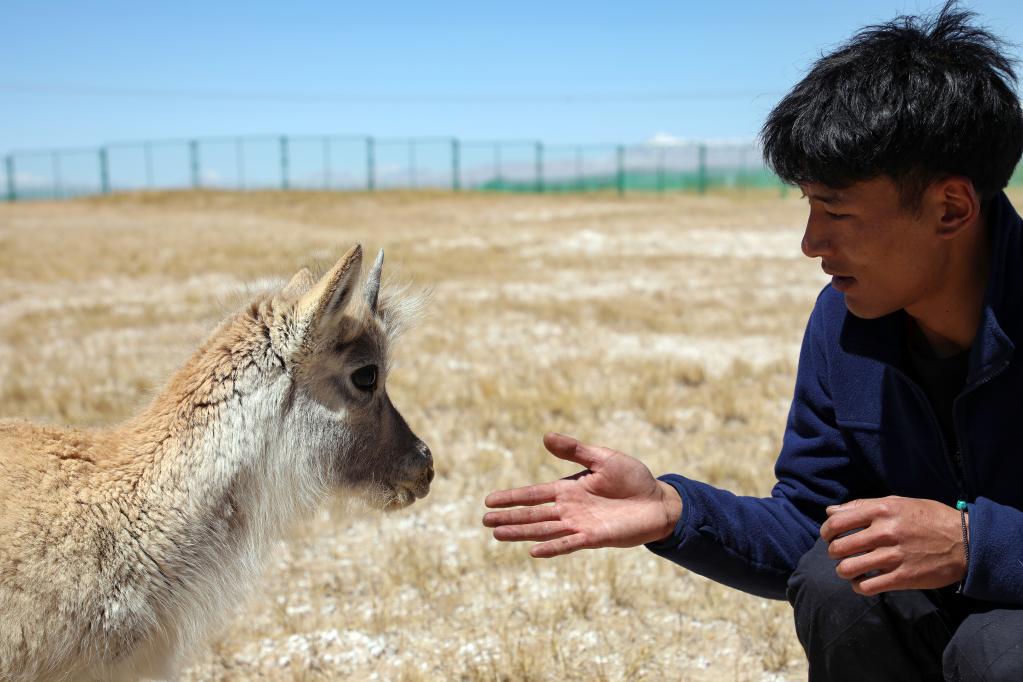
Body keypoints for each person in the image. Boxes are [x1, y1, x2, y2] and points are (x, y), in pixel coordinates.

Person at [482, 3, 1023, 680]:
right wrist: (673, 511)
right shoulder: (844, 324)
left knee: (999, 647)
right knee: (835, 582)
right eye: (806, 206)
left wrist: (979, 545)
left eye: (836, 211)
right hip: (933, 619)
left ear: (949, 208)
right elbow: (811, 529)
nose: (810, 244)